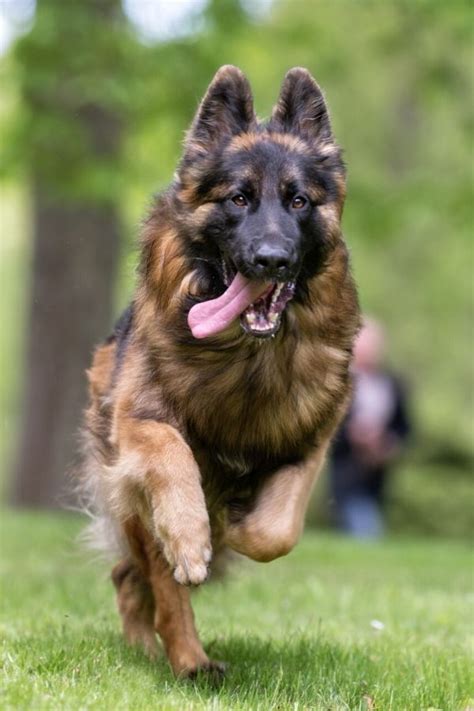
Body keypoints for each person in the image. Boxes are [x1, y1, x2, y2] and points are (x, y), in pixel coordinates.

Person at [330, 317, 411, 537]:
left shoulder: (393, 383)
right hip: (345, 469)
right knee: (361, 522)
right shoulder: (337, 382)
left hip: (378, 474)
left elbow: (405, 426)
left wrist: (389, 444)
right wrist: (353, 435)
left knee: (366, 515)